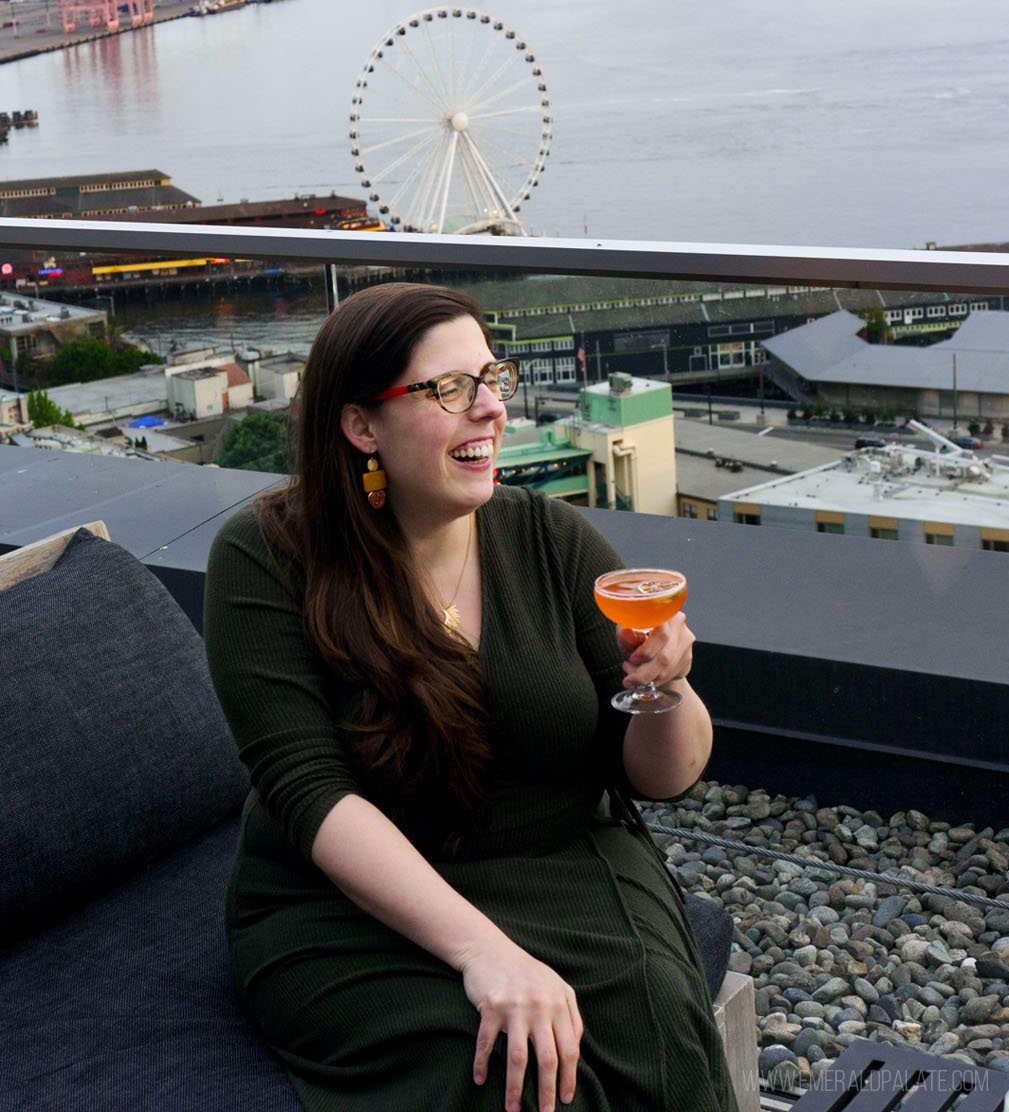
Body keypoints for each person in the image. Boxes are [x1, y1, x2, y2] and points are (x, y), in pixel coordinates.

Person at [204, 282, 738, 1112]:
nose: (489, 409)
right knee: (497, 1078)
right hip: (354, 909)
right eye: (449, 389)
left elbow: (660, 780)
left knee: (656, 1035)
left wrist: (667, 687)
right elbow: (308, 793)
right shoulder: (269, 557)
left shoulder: (548, 537)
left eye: (493, 378)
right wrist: (483, 953)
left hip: (559, 864)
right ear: (360, 424)